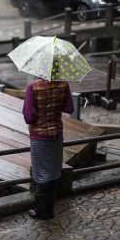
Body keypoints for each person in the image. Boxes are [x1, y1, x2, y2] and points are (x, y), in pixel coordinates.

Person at [22, 75, 74, 219]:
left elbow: (29, 117)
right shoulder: (63, 84)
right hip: (56, 135)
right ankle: (49, 209)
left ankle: (43, 211)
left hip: (39, 138)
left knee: (41, 174)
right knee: (53, 172)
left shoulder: (32, 87)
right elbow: (69, 108)